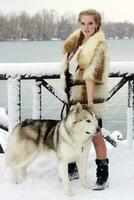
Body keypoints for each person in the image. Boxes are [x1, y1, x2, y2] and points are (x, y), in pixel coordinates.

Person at [60, 9, 109, 190]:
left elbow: (92, 76)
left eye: (90, 23)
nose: (86, 27)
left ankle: (103, 175)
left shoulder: (99, 45)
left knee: (96, 135)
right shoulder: (78, 42)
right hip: (75, 97)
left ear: (97, 24)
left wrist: (89, 104)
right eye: (83, 23)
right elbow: (70, 69)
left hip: (90, 97)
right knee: (73, 130)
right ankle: (72, 168)